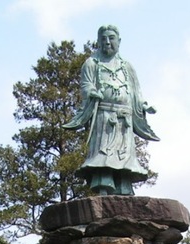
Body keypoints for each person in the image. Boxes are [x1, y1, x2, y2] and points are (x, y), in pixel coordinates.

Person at [63, 24, 159, 196]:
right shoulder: (92, 63)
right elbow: (86, 85)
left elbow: (136, 92)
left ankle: (124, 186)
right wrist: (92, 92)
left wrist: (143, 105)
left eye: (111, 38)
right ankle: (103, 186)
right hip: (104, 116)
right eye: (103, 39)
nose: (107, 42)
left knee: (124, 155)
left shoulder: (127, 67)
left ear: (119, 41)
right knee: (103, 154)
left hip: (124, 118)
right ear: (98, 42)